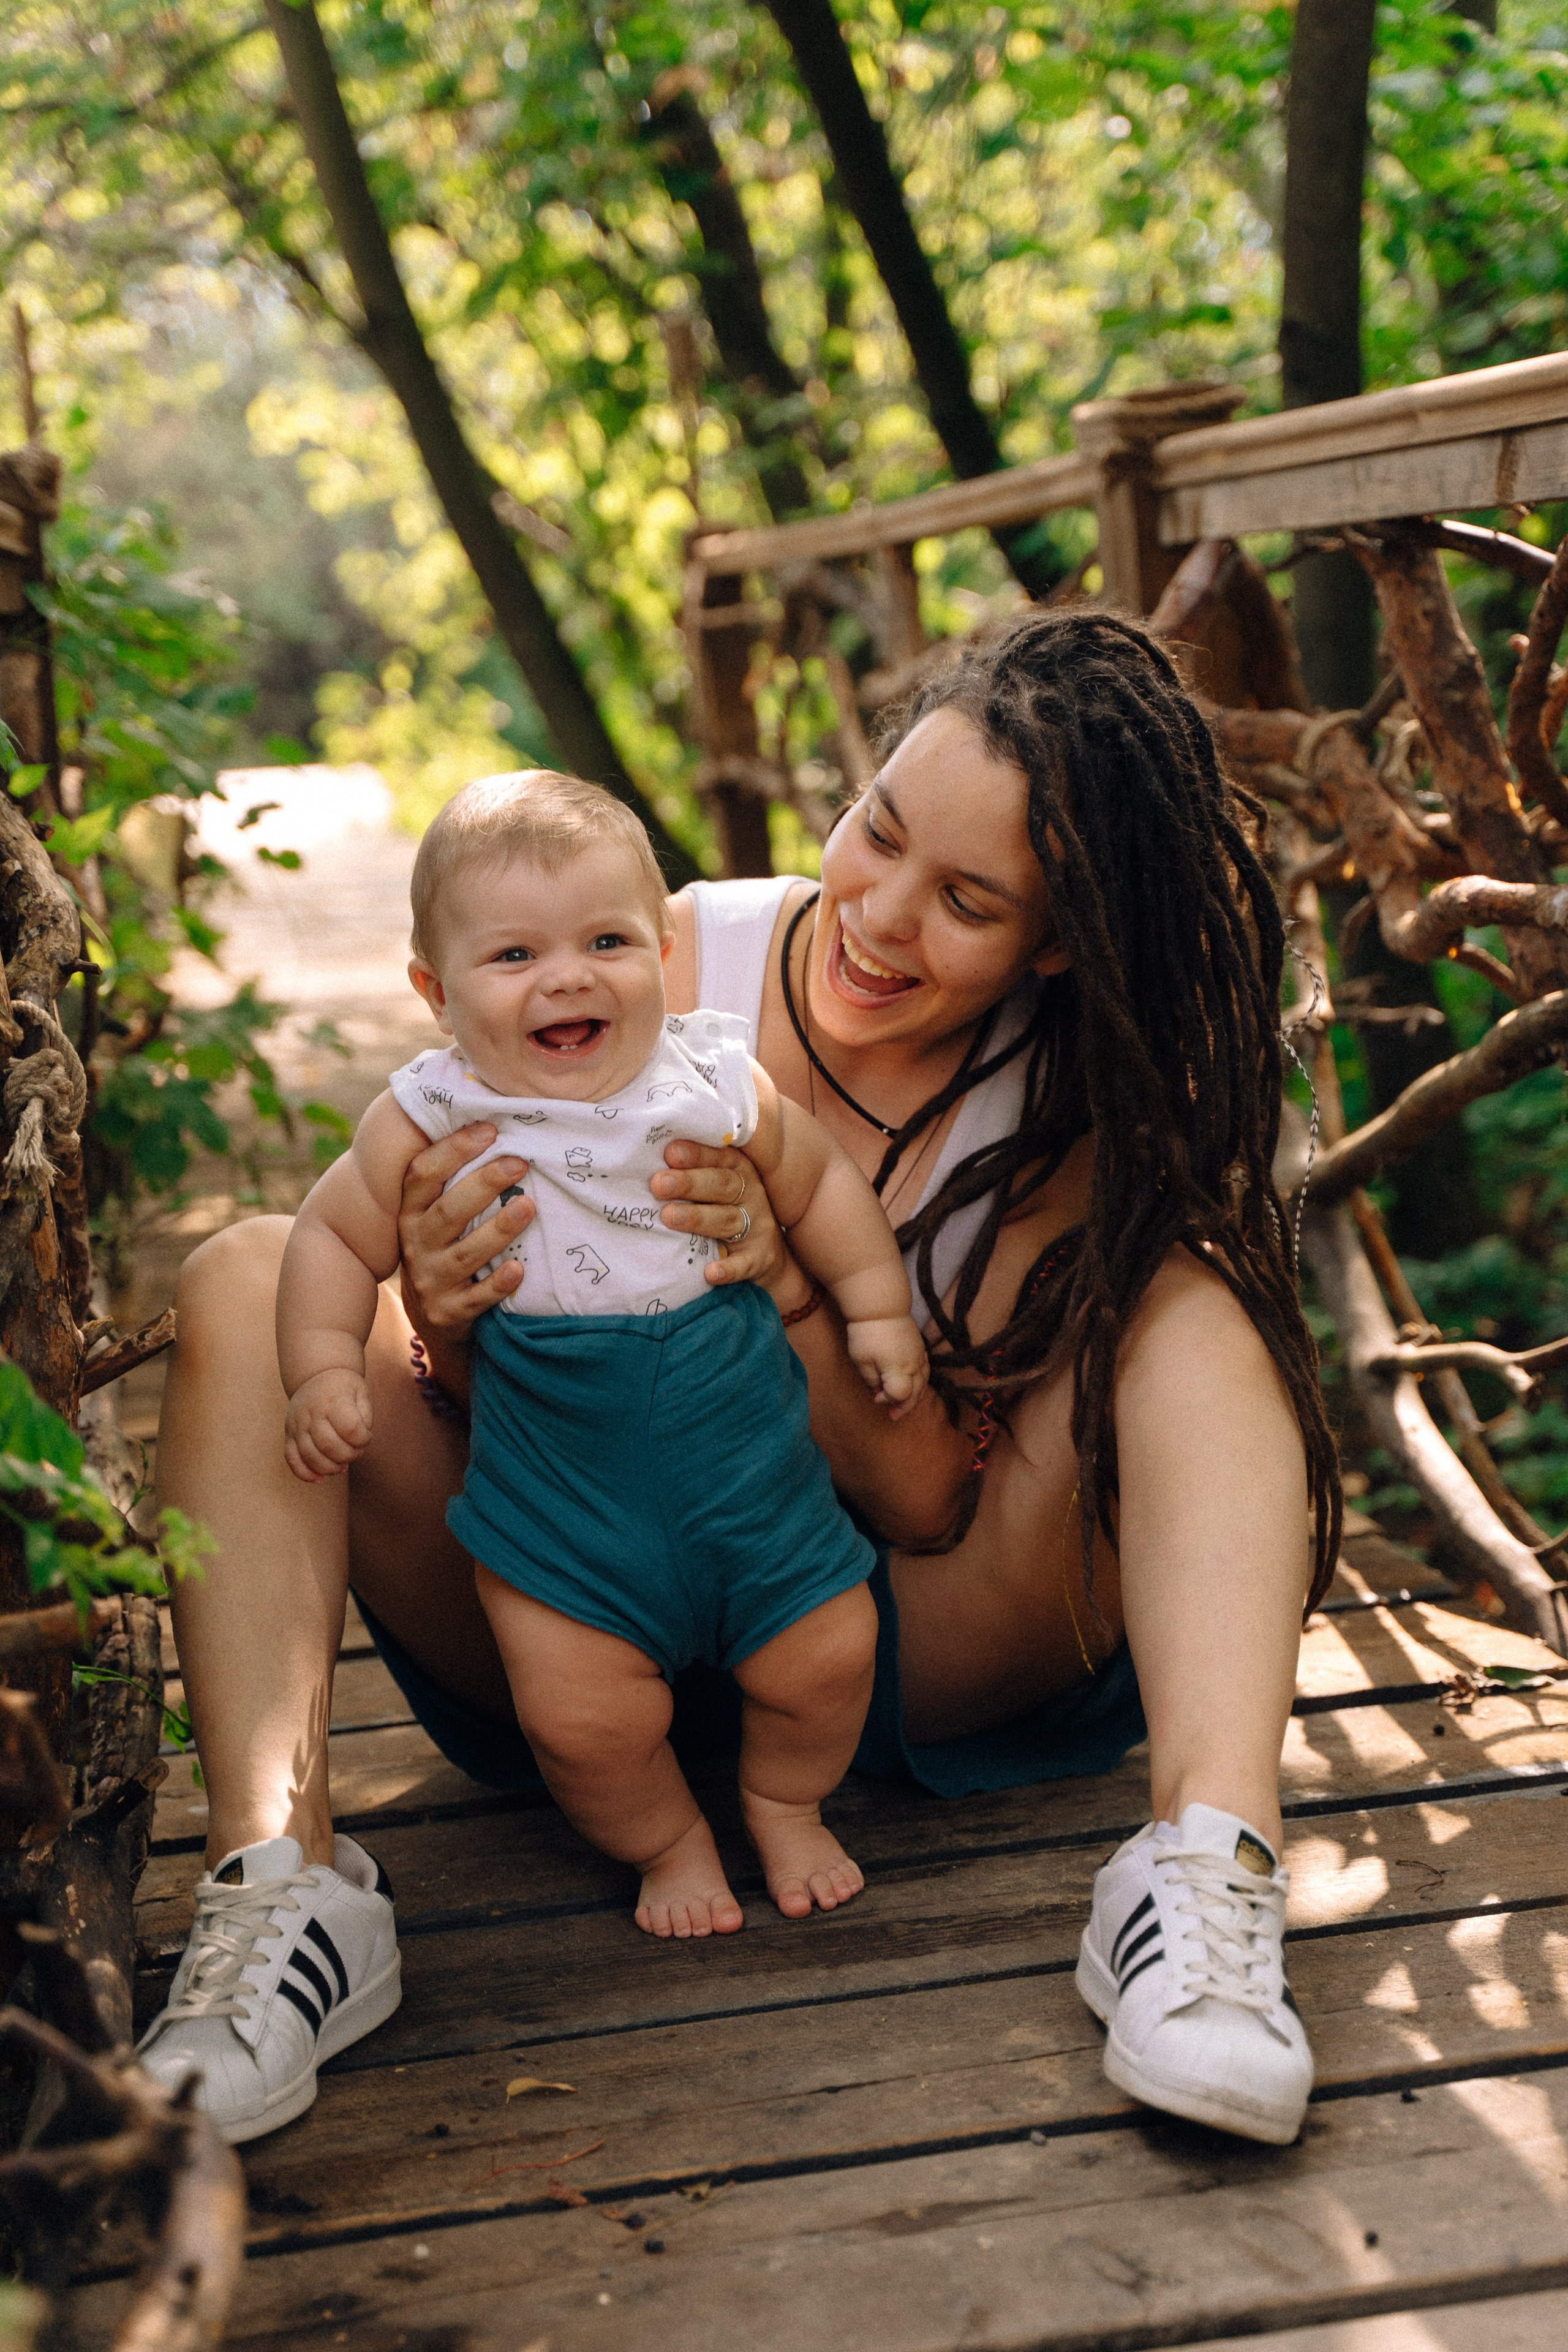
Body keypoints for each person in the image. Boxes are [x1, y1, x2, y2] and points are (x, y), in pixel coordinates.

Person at [138, 608, 1340, 2152]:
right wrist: (443, 1315)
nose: (879, 916)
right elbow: (400, 1327)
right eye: (877, 831)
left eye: (965, 900)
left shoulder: (1058, 1111)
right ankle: (279, 1892)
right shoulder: (649, 953)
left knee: (1201, 1298)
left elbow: (919, 1501)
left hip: (871, 1637)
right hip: (562, 1607)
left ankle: (1204, 1890)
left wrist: (782, 1278)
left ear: (1048, 941)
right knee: (249, 1269)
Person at [276, 769, 926, 1953]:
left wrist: (876, 1309)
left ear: (665, 955)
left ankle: (783, 1800)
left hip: (754, 1486)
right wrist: (326, 1365)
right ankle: (669, 1841)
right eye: (514, 957)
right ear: (434, 991)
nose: (568, 976)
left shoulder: (711, 1079)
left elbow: (820, 1183)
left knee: (832, 1653)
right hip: (566, 1512)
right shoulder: (432, 1111)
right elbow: (330, 1233)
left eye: (607, 940)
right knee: (579, 1720)